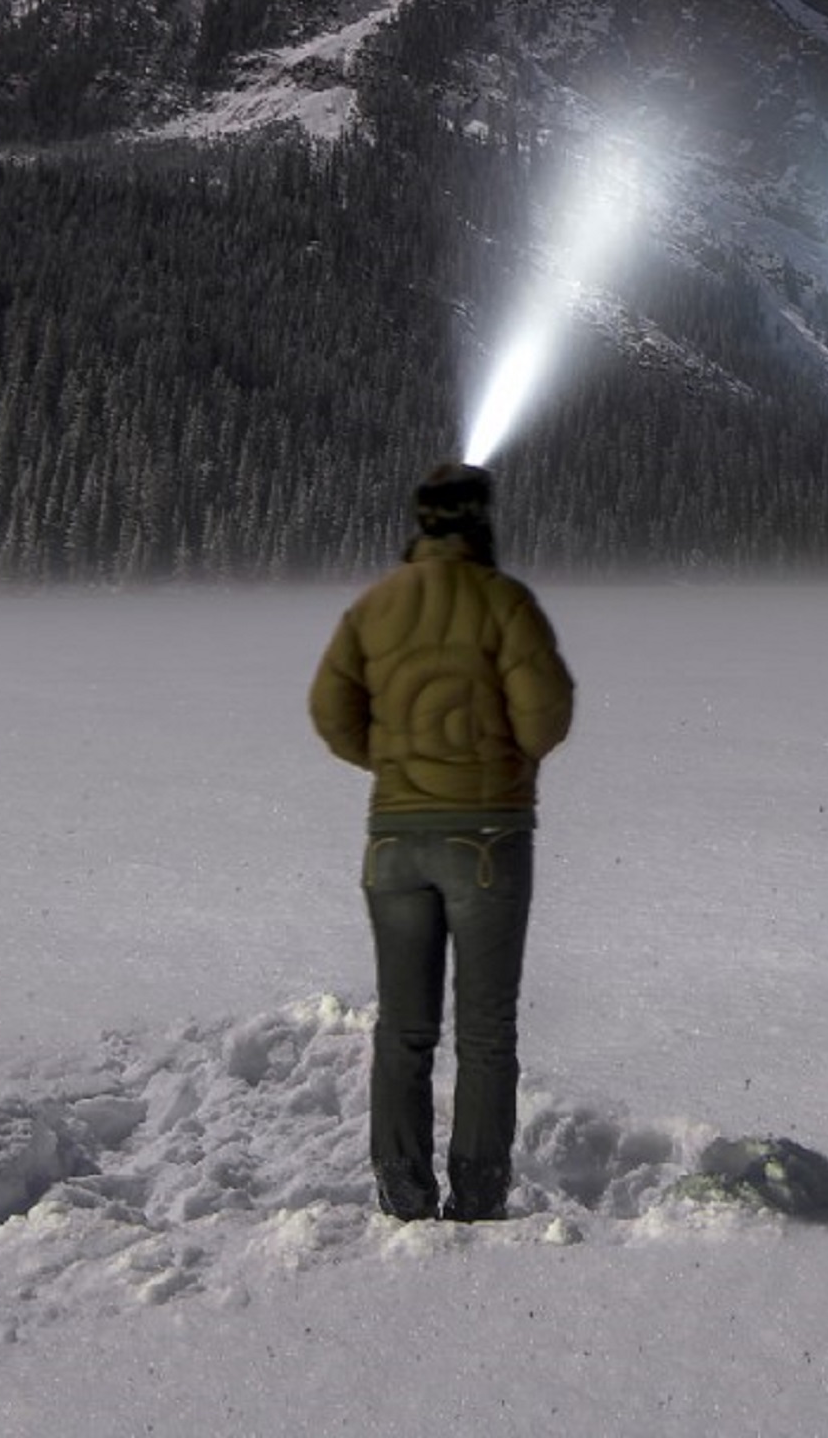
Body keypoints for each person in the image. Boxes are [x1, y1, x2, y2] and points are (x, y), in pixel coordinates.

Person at [309, 461, 575, 1223]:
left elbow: (331, 713)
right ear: (482, 520)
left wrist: (395, 766)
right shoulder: (505, 603)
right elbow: (547, 716)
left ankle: (402, 1184)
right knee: (487, 1030)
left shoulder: (373, 606)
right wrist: (493, 765)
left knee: (404, 1026)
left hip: (394, 841)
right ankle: (480, 1191)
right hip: (489, 838)